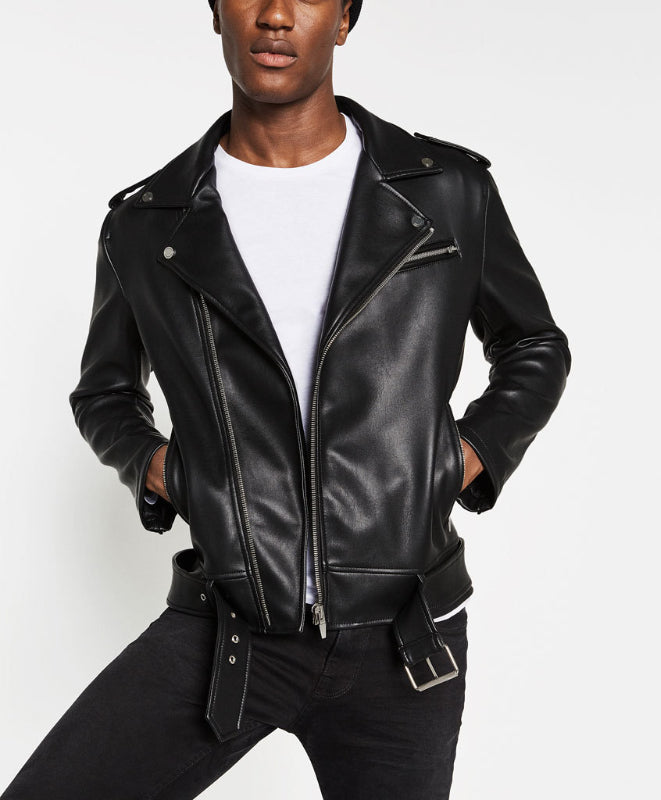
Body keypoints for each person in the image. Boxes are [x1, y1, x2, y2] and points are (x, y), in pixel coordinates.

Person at [0, 1, 571, 797]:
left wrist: (461, 459)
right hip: (228, 627)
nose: (274, 15)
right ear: (215, 12)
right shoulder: (148, 223)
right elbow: (105, 391)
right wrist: (165, 471)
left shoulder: (446, 192)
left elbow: (534, 345)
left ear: (344, 18)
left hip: (407, 638)